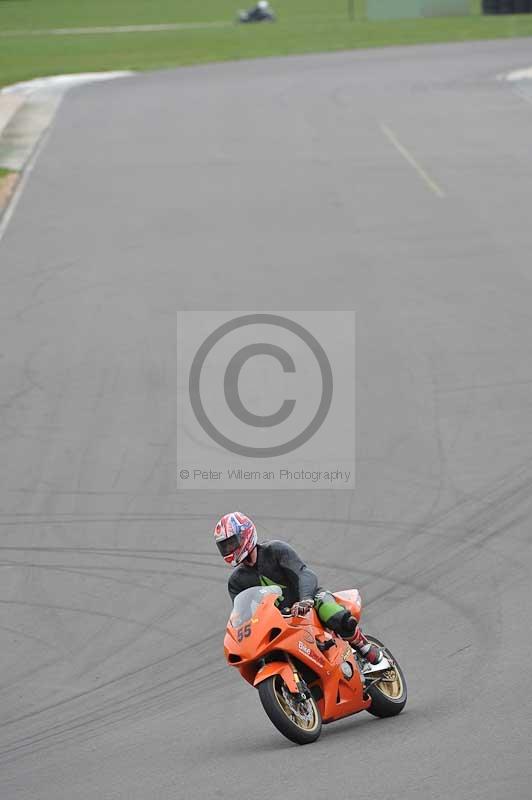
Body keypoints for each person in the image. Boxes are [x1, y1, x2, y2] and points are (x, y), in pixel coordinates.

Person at [215, 511, 383, 665]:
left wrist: (305, 600)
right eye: (224, 547)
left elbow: (304, 574)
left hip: (308, 602)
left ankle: (363, 646)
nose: (229, 550)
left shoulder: (275, 550)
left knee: (335, 615)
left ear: (245, 534)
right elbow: (242, 616)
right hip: (279, 623)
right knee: (262, 659)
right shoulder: (236, 582)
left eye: (231, 543)